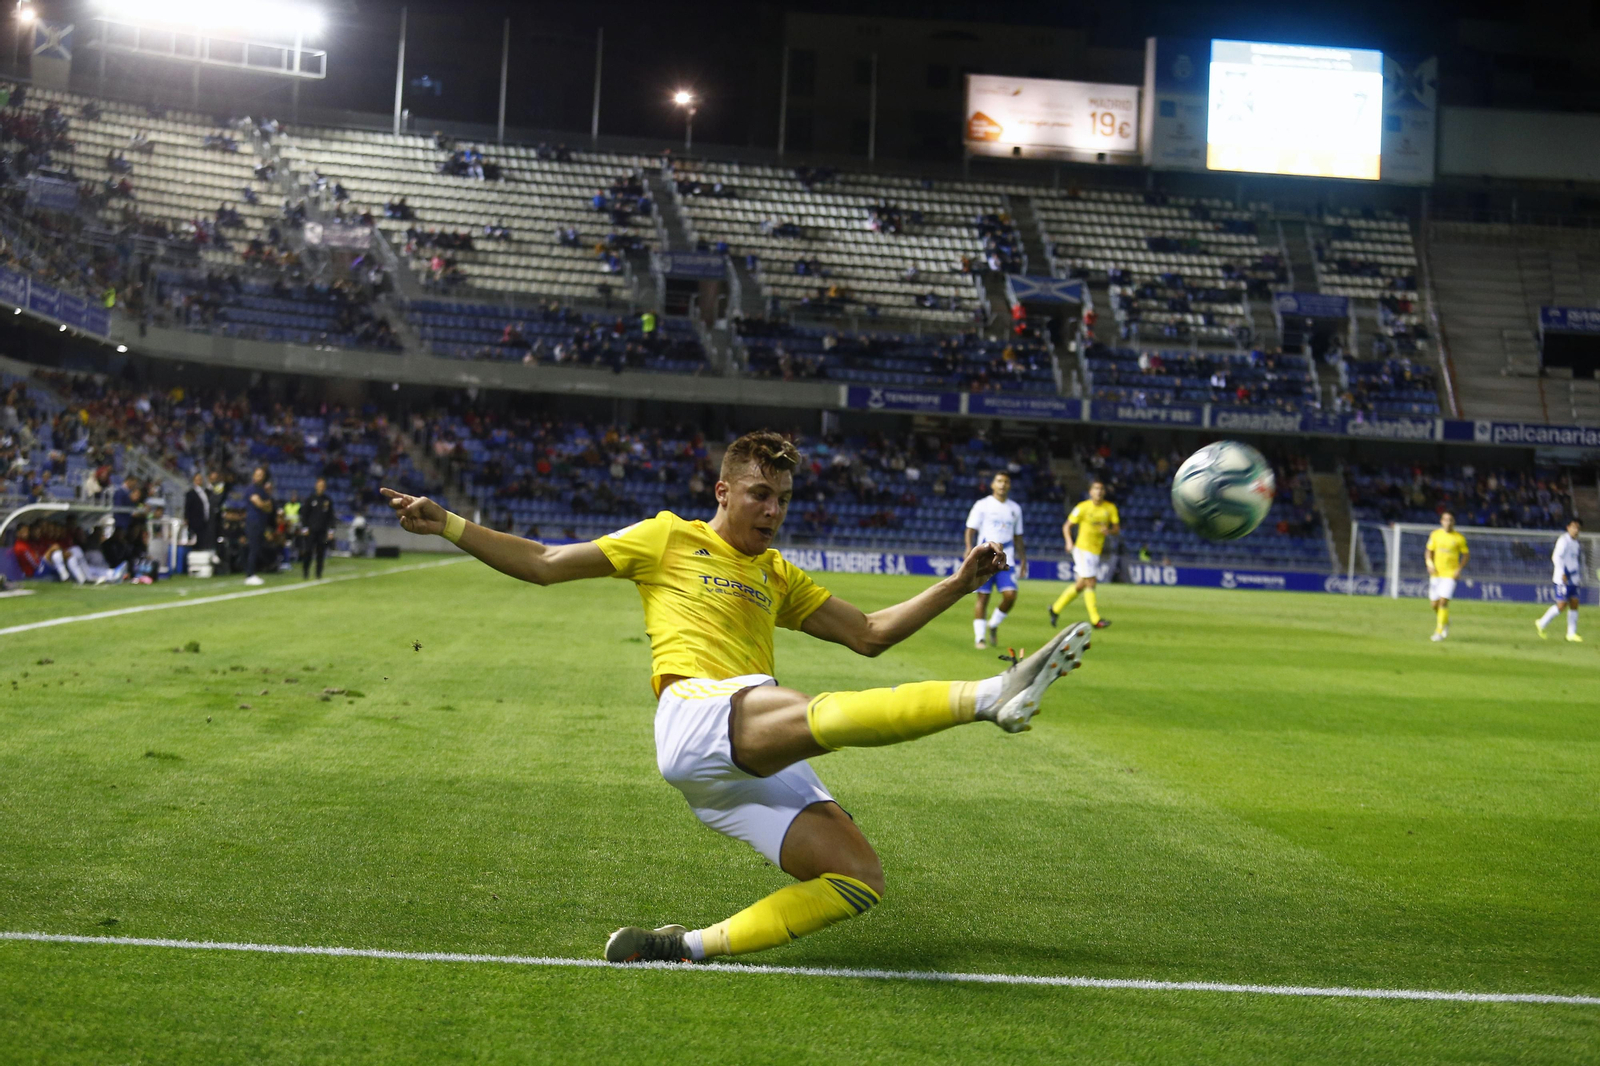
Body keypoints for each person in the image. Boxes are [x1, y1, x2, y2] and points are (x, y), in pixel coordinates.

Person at [380, 430, 1093, 964]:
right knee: (817, 714)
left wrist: (958, 584)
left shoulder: (778, 574)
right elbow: (542, 563)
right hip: (697, 714)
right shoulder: (667, 539)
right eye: (760, 495)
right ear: (723, 492)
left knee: (857, 878)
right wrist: (449, 524)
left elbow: (871, 633)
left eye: (782, 499)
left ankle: (681, 948)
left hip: (741, 762)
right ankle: (991, 695)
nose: (773, 511)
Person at [964, 472, 1026, 649]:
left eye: (1006, 482)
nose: (1002, 484)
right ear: (992, 485)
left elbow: (1018, 536)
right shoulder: (982, 505)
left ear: (1010, 485)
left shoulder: (1015, 508)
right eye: (999, 481)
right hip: (985, 557)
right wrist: (968, 547)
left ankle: (993, 624)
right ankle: (980, 638)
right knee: (983, 598)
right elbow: (970, 529)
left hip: (1007, 557)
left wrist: (1024, 560)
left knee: (1010, 595)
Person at [1050, 480, 1119, 630]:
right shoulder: (1082, 507)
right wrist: (1069, 542)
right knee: (1090, 582)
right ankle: (1095, 620)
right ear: (1090, 492)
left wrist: (1109, 531)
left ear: (1104, 492)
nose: (1098, 492)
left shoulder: (1110, 508)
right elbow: (1067, 526)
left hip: (1095, 551)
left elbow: (1116, 529)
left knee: (1080, 585)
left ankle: (1055, 609)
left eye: (1101, 489)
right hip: (1082, 549)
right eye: (1095, 489)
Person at [1536, 518, 1583, 642]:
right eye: (1573, 527)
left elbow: (1573, 561)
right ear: (1568, 527)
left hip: (1574, 578)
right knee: (1562, 605)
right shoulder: (1564, 541)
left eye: (1578, 528)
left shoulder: (1576, 543)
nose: (1576, 530)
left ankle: (1571, 634)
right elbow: (1556, 557)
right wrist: (1562, 573)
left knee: (1574, 603)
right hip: (1563, 579)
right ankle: (1542, 622)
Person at [1424, 511, 1468, 642]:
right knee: (1434, 604)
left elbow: (1466, 554)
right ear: (1441, 521)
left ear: (1453, 522)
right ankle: (1446, 621)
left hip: (1450, 575)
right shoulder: (1435, 535)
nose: (1448, 522)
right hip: (1436, 574)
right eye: (1445, 520)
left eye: (1450, 520)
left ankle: (1439, 631)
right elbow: (1428, 551)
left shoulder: (1459, 538)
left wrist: (1459, 569)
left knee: (1443, 601)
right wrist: (1429, 564)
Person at [243, 467, 273, 586]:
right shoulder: (251, 489)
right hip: (253, 521)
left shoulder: (262, 491)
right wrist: (264, 504)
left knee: (257, 547)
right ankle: (249, 574)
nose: (259, 477)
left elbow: (269, 508)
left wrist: (264, 504)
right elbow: (260, 504)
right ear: (253, 476)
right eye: (257, 474)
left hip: (261, 522)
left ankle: (252, 572)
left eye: (261, 475)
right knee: (253, 548)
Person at [301, 477, 335, 580]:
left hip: (322, 531)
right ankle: (305, 572)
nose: (321, 488)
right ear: (316, 486)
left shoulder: (327, 501)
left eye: (323, 486)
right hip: (311, 531)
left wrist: (331, 530)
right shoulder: (310, 499)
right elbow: (304, 515)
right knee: (308, 552)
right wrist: (305, 528)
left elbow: (331, 517)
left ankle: (318, 574)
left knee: (321, 553)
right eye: (319, 485)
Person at [184, 471, 214, 563]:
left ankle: (203, 560)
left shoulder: (205, 492)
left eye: (200, 479)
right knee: (197, 541)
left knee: (204, 540)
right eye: (197, 479)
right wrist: (186, 519)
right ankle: (195, 561)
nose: (199, 481)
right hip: (195, 521)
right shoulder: (191, 493)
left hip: (205, 520)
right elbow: (187, 507)